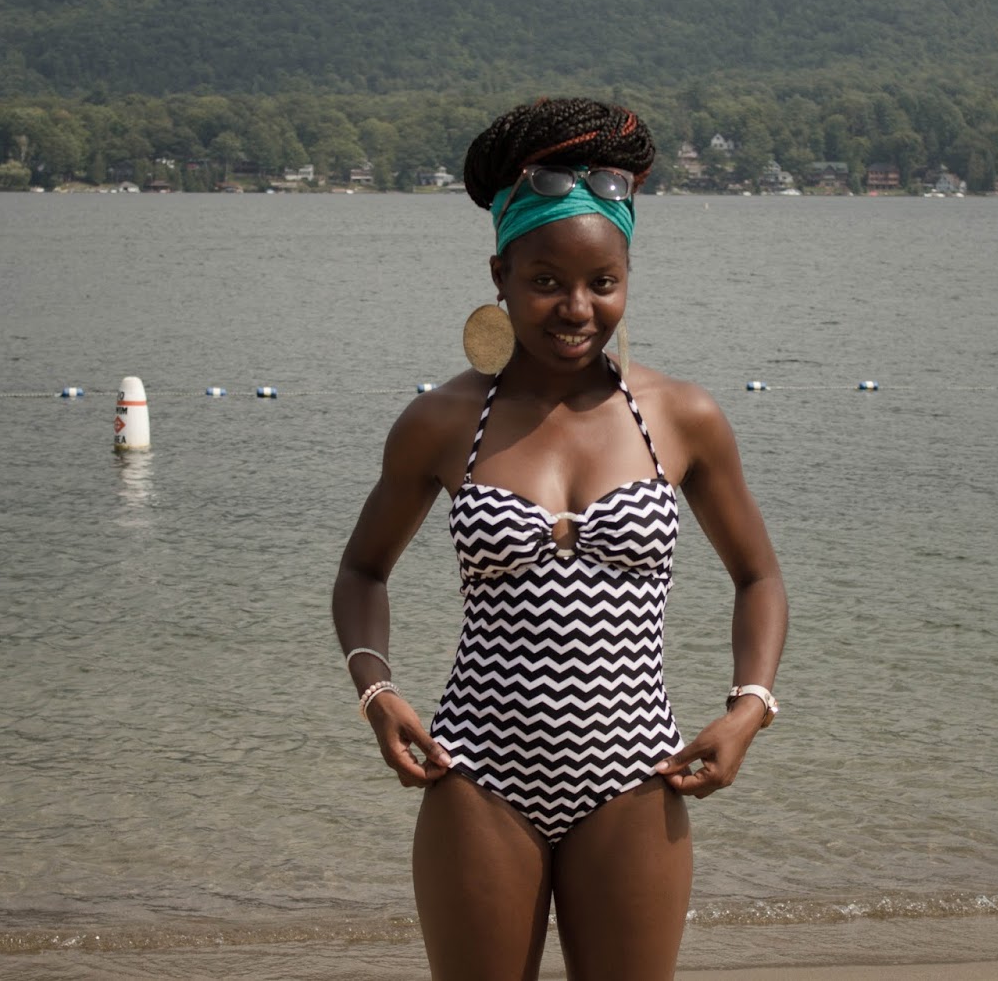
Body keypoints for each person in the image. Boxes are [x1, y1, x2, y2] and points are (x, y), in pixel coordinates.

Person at [332, 97, 787, 981]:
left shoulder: (681, 417)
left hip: (635, 773)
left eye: (602, 283)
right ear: (499, 276)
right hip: (477, 772)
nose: (576, 308)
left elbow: (759, 576)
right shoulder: (443, 422)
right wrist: (376, 691)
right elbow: (362, 570)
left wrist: (749, 709)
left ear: (627, 276)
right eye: (546, 282)